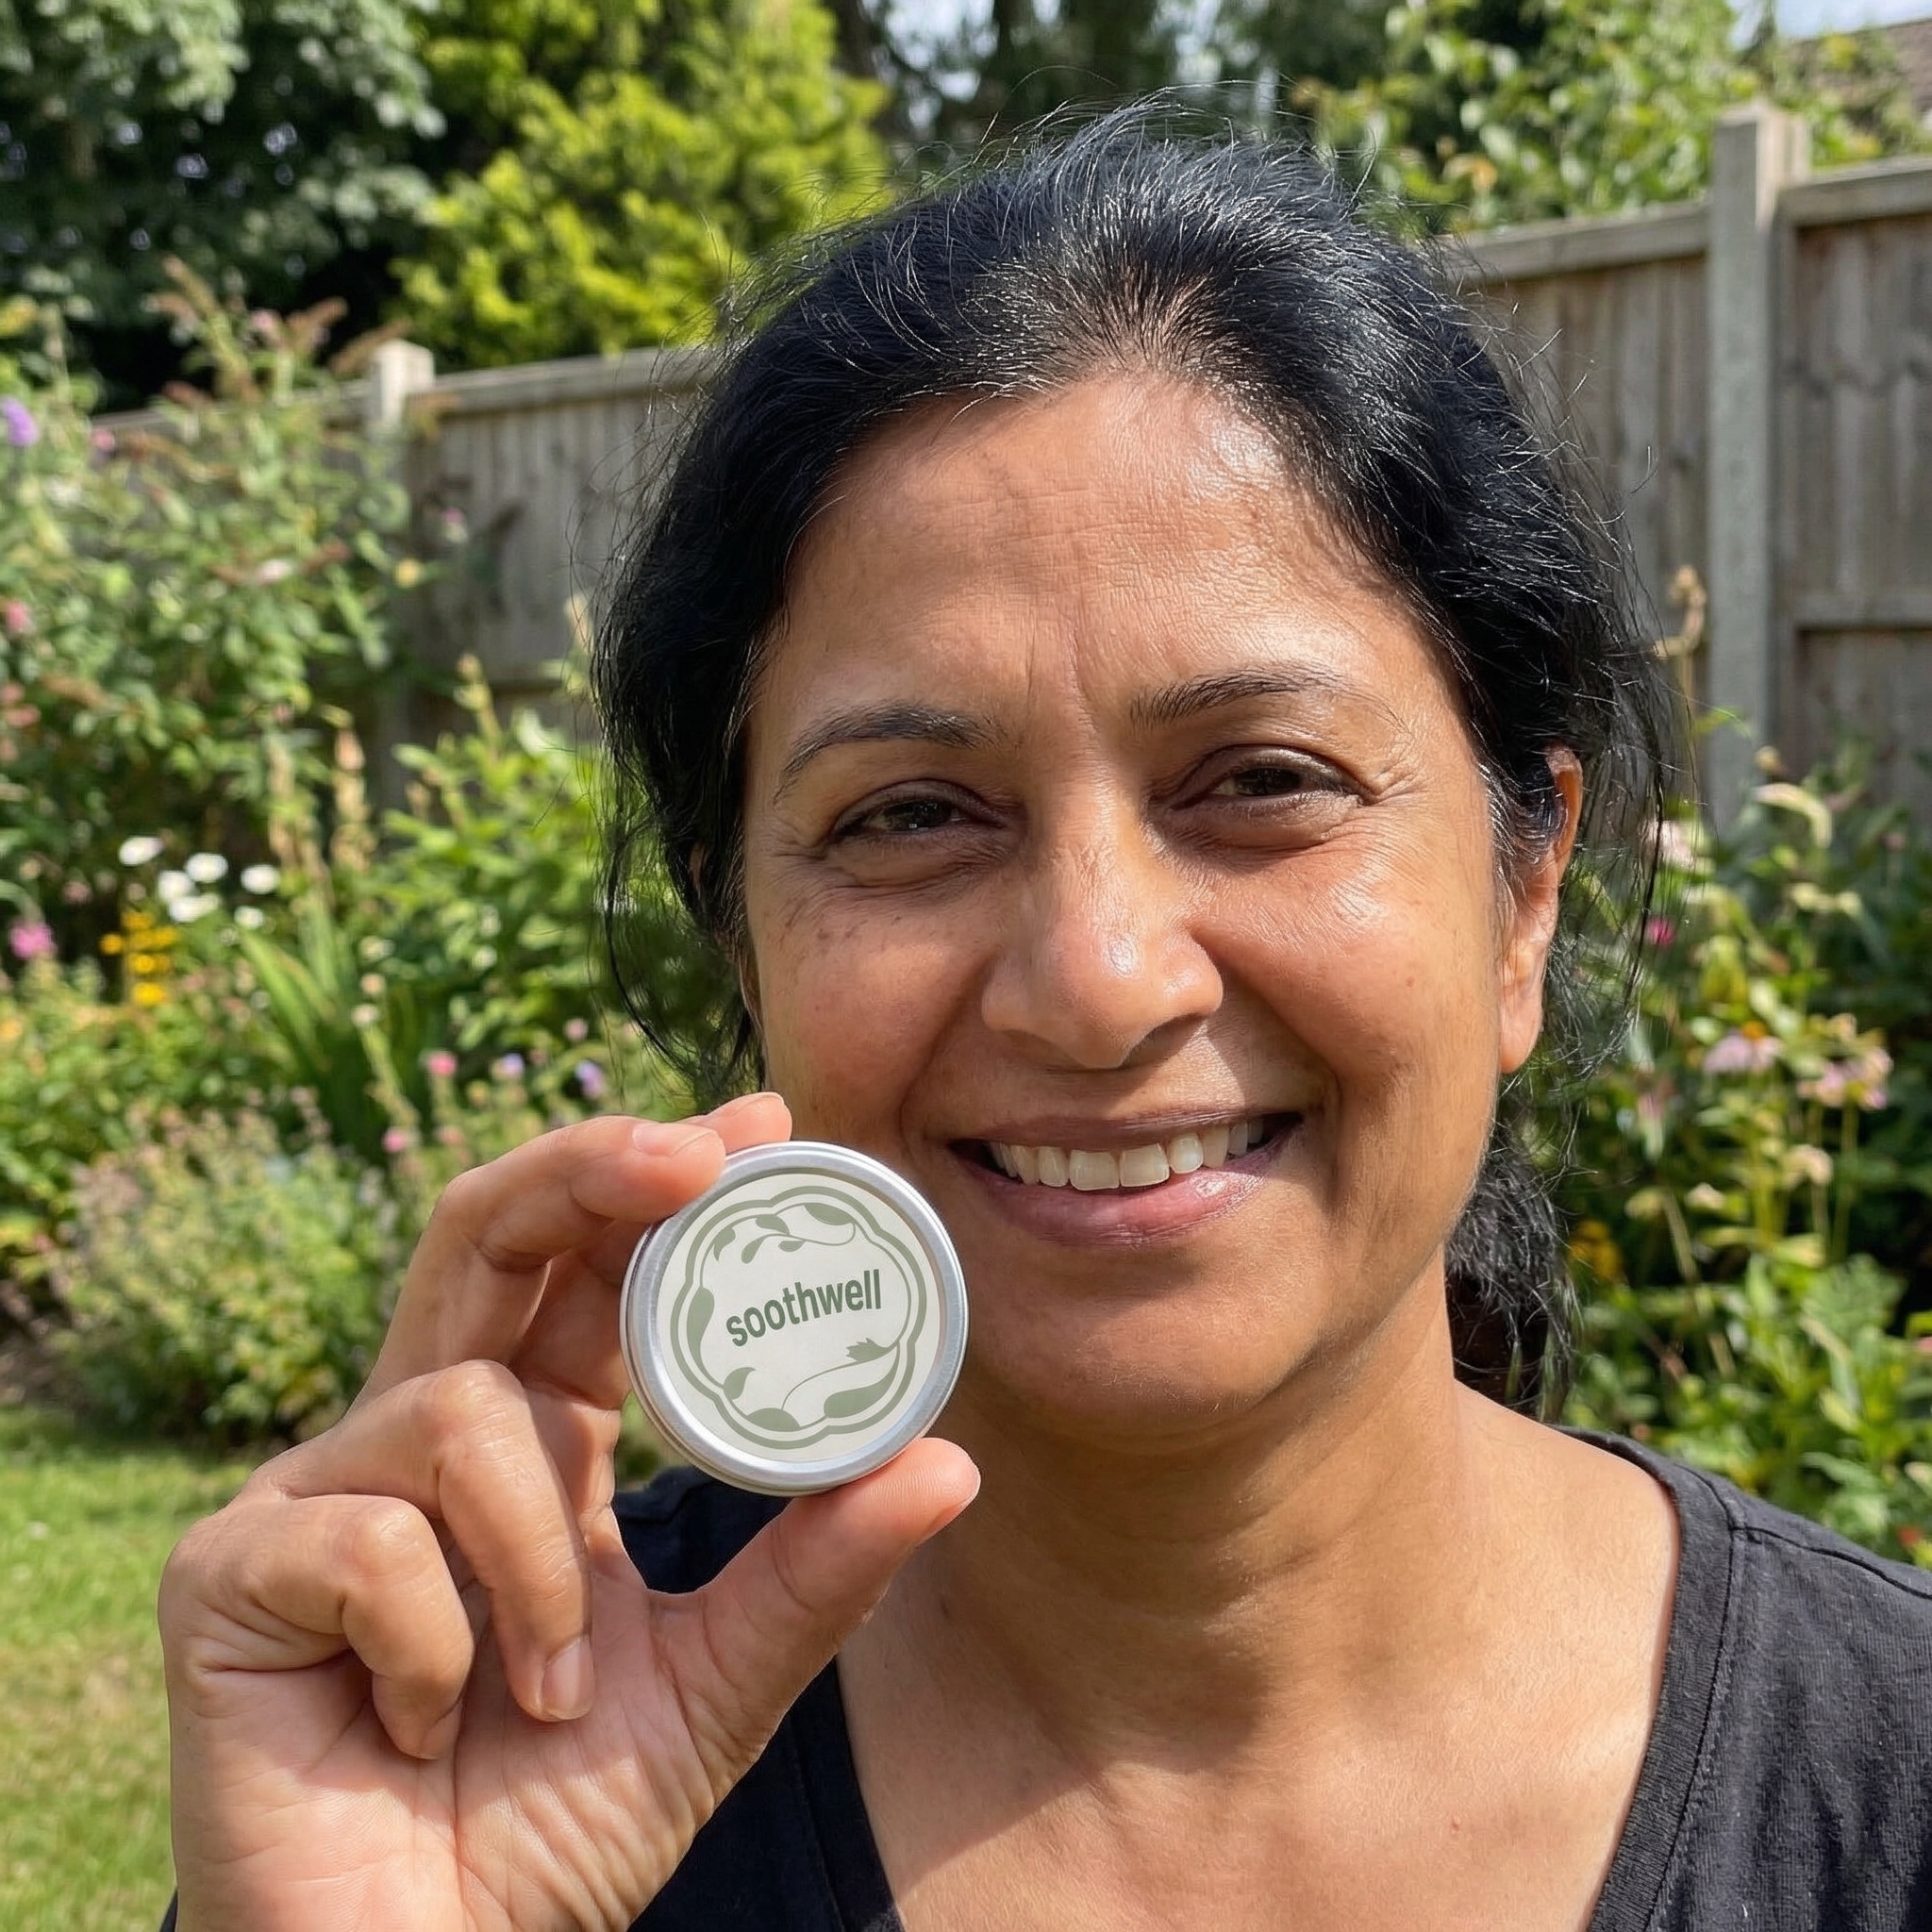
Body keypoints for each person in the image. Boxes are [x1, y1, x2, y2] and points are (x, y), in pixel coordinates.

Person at [158, 117, 1932, 1932]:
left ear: (1526, 895)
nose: (1096, 982)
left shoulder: (1894, 1790)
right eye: (912, 814)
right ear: (740, 929)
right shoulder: (516, 1758)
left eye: (1261, 779)